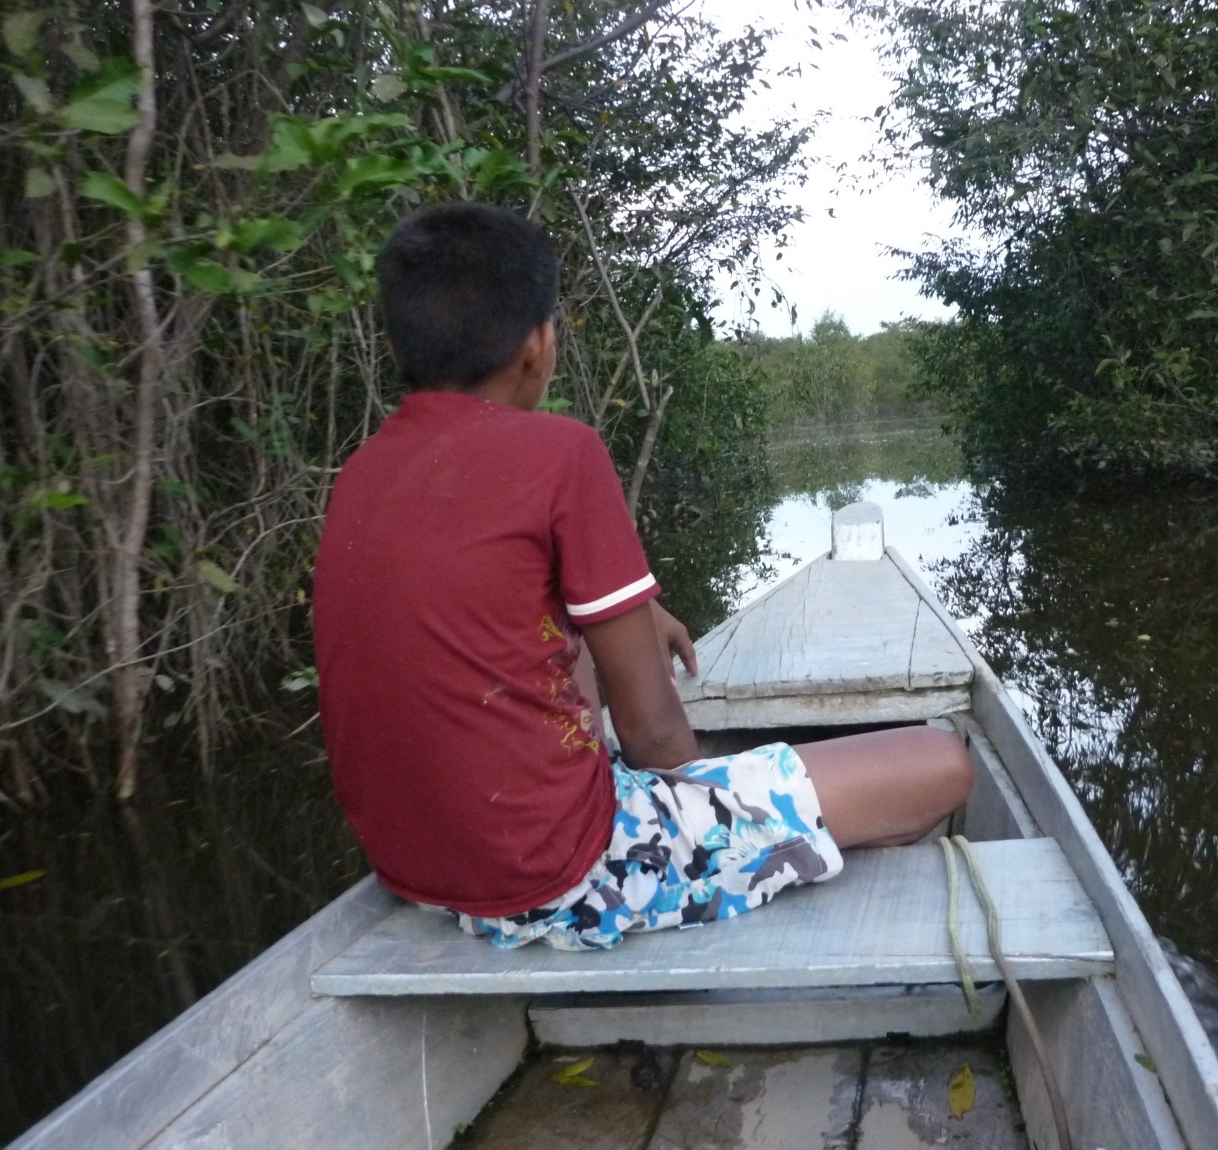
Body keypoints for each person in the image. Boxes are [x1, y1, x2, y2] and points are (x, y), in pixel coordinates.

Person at [312, 202, 971, 950]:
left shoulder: (362, 474)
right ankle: (752, 858)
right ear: (538, 344)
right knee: (937, 764)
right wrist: (709, 815)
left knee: (606, 668)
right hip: (564, 875)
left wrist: (613, 624)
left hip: (419, 873)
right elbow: (655, 734)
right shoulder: (561, 453)